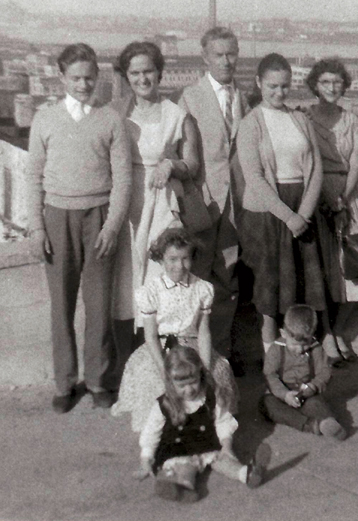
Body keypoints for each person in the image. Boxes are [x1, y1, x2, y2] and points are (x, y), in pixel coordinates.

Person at [27, 43, 132, 412]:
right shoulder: (45, 119)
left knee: (99, 305)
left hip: (99, 218)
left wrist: (112, 225)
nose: (84, 85)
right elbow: (33, 176)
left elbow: (123, 178)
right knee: (62, 306)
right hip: (57, 217)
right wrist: (37, 228)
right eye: (76, 78)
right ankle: (64, 382)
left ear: (97, 77)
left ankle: (99, 380)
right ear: (61, 78)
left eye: (90, 77)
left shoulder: (110, 120)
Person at [111, 41, 205, 379]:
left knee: (158, 281)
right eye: (134, 72)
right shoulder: (117, 113)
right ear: (126, 76)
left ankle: (166, 369)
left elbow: (193, 164)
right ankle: (132, 369)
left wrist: (171, 164)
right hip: (127, 201)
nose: (142, 78)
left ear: (159, 72)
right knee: (126, 283)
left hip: (163, 203)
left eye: (148, 71)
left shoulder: (177, 115)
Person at [237, 53, 327, 352]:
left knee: (301, 286)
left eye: (285, 86)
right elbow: (255, 178)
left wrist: (303, 213)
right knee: (269, 289)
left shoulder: (300, 118)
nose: (279, 92)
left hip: (302, 209)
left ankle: (300, 351)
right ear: (259, 83)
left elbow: (315, 169)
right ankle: (270, 356)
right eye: (272, 86)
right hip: (267, 213)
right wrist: (289, 218)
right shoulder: (250, 124)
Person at [112, 228, 237, 433]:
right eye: (172, 259)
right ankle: (165, 428)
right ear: (161, 259)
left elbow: (204, 332)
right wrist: (162, 368)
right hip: (161, 347)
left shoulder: (202, 288)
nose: (179, 266)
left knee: (217, 372)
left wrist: (205, 366)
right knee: (155, 379)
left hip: (192, 345)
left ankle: (204, 423)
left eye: (185, 258)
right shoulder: (151, 291)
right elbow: (151, 335)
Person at [179, 27, 249, 371]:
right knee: (195, 279)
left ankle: (218, 355)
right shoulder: (190, 97)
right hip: (204, 204)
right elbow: (184, 154)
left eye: (231, 53)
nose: (226, 61)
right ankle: (191, 355)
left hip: (235, 206)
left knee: (228, 279)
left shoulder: (243, 98)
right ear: (205, 58)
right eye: (219, 55)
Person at [306, 58, 358, 364]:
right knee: (322, 268)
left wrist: (344, 198)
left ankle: (340, 330)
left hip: (347, 195)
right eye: (325, 82)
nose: (332, 88)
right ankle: (326, 336)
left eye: (337, 82)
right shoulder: (306, 119)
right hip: (316, 194)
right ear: (315, 86)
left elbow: (357, 161)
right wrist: (322, 197)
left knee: (357, 267)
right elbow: (307, 161)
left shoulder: (352, 120)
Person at [135, 345, 265, 502]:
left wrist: (226, 445)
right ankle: (181, 486)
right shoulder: (164, 405)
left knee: (224, 460)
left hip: (207, 444)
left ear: (201, 375)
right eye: (182, 386)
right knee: (185, 466)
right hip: (179, 449)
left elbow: (222, 422)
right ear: (170, 382)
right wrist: (146, 459)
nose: (189, 390)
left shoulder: (211, 396)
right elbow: (151, 433)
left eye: (193, 382)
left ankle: (245, 474)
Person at [260, 305, 347, 440]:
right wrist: (284, 395)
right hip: (281, 393)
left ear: (312, 336)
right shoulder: (276, 349)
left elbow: (324, 371)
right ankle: (311, 425)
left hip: (305, 392)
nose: (300, 350)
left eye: (305, 344)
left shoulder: (316, 348)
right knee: (267, 404)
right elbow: (270, 375)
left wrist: (313, 386)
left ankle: (328, 422)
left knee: (316, 404)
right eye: (294, 345)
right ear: (283, 334)